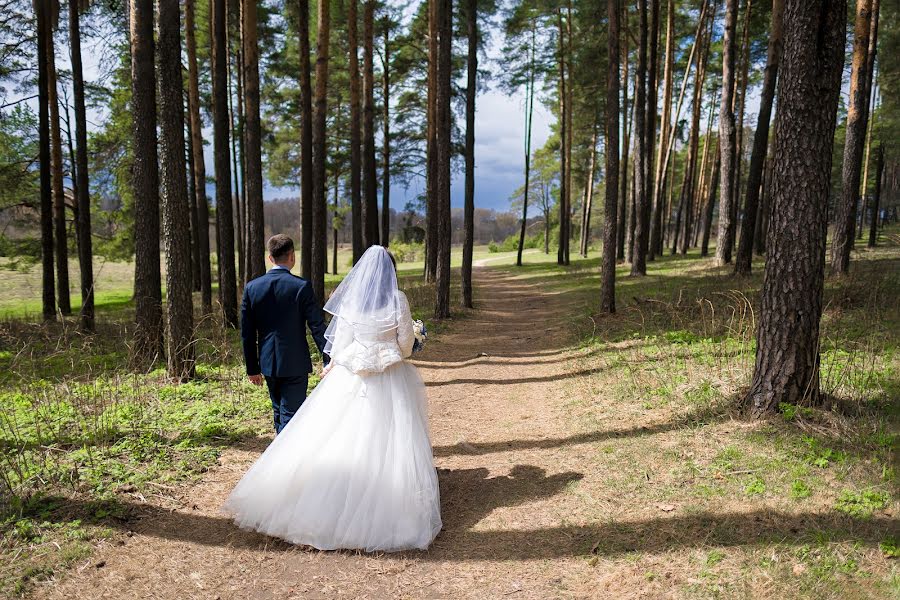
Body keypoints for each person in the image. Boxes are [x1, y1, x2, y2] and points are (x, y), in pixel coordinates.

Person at [224, 245, 442, 552]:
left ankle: (321, 501)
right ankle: (390, 503)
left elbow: (339, 346)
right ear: (391, 272)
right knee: (391, 437)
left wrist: (341, 362)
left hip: (351, 376)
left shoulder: (352, 301)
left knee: (336, 435)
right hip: (390, 376)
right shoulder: (397, 300)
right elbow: (405, 344)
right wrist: (412, 342)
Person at [241, 234, 329, 434]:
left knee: (279, 411)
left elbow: (247, 333)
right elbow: (317, 326)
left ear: (270, 258)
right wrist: (328, 359)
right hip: (294, 362)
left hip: (267, 362)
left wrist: (252, 368)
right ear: (292, 256)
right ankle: (283, 461)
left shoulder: (252, 288)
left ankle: (278, 455)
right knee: (291, 416)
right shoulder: (301, 286)